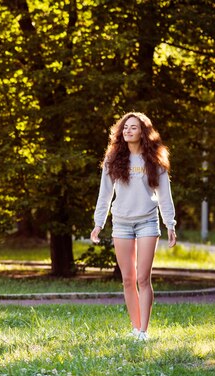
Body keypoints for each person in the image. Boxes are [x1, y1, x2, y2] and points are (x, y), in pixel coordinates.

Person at [90, 112, 177, 341]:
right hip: (121, 223)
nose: (128, 130)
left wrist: (170, 223)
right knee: (127, 278)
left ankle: (144, 332)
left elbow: (165, 195)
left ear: (143, 132)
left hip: (148, 221)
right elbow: (105, 194)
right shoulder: (113, 159)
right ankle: (135, 328)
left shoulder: (154, 161)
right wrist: (99, 223)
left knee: (142, 278)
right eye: (125, 127)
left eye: (133, 127)